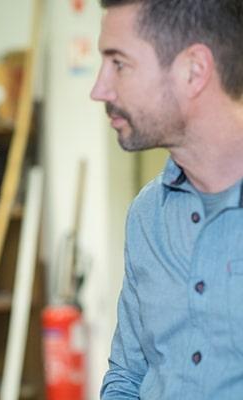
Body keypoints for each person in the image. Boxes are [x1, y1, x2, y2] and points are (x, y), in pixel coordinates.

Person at [90, 0, 243, 399]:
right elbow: (127, 374)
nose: (98, 89)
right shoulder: (147, 215)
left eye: (118, 63)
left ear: (194, 71)